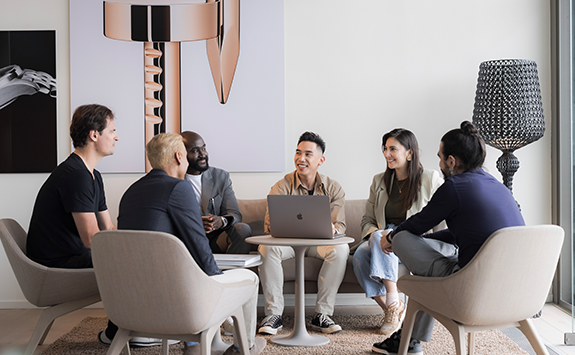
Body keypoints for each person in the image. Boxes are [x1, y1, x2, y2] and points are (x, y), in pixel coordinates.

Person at [99, 133, 265, 355]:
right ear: (179, 156)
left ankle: (194, 345)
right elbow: (199, 246)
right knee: (250, 279)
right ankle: (244, 346)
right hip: (176, 303)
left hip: (130, 301)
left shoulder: (130, 192)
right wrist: (218, 288)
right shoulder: (179, 188)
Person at [372, 121, 525, 355]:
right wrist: (423, 238)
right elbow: (457, 233)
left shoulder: (454, 186)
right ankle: (410, 340)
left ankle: (409, 341)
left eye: (441, 158)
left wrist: (391, 237)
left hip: (472, 287)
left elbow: (418, 222)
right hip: (515, 291)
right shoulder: (496, 185)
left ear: (452, 161)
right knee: (426, 269)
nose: (440, 164)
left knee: (403, 239)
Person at [352, 128, 453, 337]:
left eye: (393, 149)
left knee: (384, 236)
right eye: (385, 149)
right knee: (360, 255)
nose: (387, 154)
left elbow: (442, 219)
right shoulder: (379, 181)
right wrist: (372, 234)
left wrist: (435, 246)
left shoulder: (430, 178)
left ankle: (391, 300)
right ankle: (394, 308)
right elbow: (368, 219)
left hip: (413, 238)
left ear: (409, 153)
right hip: (381, 236)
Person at [257, 131, 347, 335]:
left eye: (308, 154)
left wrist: (333, 229)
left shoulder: (334, 188)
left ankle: (321, 314)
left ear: (320, 160)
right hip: (288, 244)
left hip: (318, 244)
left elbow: (340, 225)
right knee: (266, 248)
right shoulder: (281, 186)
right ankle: (273, 315)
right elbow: (270, 225)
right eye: (298, 153)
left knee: (340, 249)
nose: (301, 159)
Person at [27, 104, 118, 268]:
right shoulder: (75, 175)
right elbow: (91, 239)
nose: (116, 137)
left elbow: (108, 228)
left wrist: (135, 243)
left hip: (74, 255)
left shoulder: (93, 176)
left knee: (134, 255)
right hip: (55, 265)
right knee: (128, 260)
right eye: (112, 131)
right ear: (94, 135)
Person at [181, 131, 251, 254]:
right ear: (181, 154)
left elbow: (235, 214)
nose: (203, 155)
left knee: (242, 229)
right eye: (195, 151)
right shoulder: (172, 179)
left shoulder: (220, 177)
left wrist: (221, 221)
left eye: (204, 148)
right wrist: (195, 222)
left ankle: (234, 273)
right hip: (186, 241)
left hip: (215, 239)